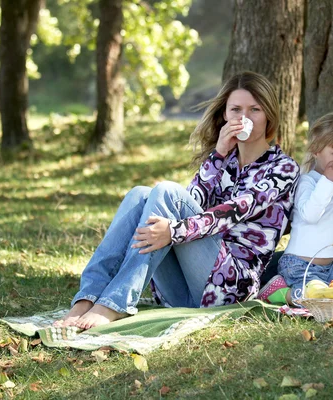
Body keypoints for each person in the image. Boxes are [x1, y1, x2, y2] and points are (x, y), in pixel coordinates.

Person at [56, 71, 300, 329]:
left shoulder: (283, 168)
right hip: (184, 292)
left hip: (231, 288)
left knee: (167, 192)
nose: (244, 118)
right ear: (224, 115)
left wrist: (173, 231)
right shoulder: (222, 161)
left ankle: (115, 303)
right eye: (236, 109)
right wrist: (218, 154)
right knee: (139, 194)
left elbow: (233, 212)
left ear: (269, 115)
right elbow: (190, 201)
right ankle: (86, 299)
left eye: (255, 110)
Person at [257, 113, 333, 305]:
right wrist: (328, 181)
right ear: (316, 151)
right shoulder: (308, 181)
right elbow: (310, 215)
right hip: (300, 265)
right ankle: (279, 293)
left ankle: (325, 294)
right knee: (313, 295)